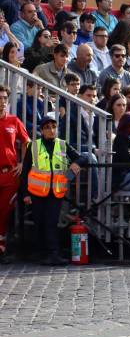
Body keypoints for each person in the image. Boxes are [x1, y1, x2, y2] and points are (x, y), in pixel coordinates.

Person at [19, 113, 86, 265]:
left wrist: (75, 165)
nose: (51, 130)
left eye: (54, 127)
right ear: (42, 130)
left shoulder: (62, 144)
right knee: (39, 223)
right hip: (37, 192)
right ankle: (42, 254)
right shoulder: (34, 146)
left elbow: (83, 157)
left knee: (51, 223)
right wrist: (25, 194)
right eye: (47, 127)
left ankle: (53, 254)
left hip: (55, 192)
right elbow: (25, 172)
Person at [0, 85, 30, 262]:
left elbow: (26, 142)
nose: (2, 101)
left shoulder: (14, 121)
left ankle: (2, 246)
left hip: (9, 175)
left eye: (5, 98)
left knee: (4, 211)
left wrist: (22, 163)